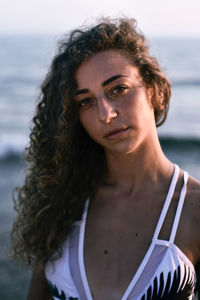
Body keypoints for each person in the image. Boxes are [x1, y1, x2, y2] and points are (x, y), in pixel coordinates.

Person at [11, 17, 200, 300]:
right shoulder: (62, 203)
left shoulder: (194, 210)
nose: (105, 114)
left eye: (118, 89)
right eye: (86, 101)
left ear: (153, 89)